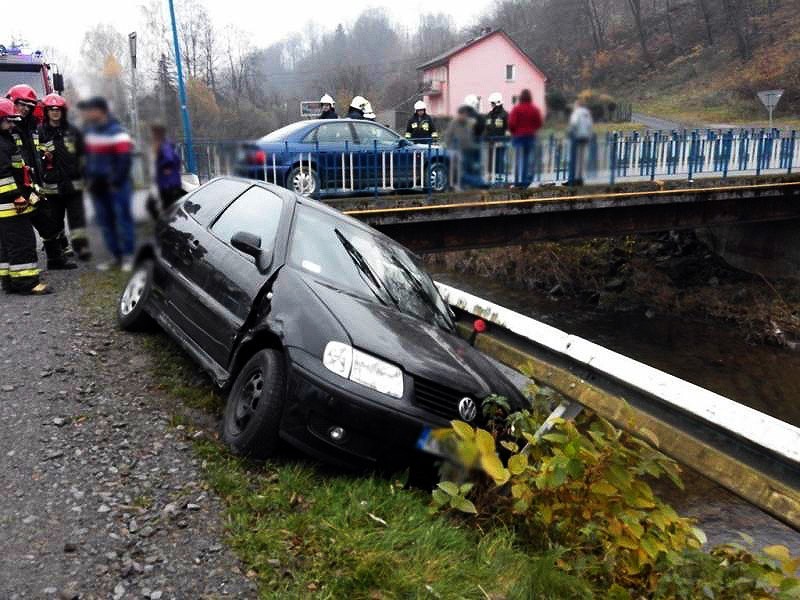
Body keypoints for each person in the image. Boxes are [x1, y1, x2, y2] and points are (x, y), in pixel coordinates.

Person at [6, 84, 74, 269]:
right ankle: (19, 273)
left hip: (33, 184)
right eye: (22, 104)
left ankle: (56, 260)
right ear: (12, 102)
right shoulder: (8, 128)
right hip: (14, 188)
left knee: (48, 222)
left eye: (29, 106)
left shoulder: (32, 127)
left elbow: (37, 153)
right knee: (20, 233)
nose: (25, 109)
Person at [0, 98, 51, 294]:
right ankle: (27, 283)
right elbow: (3, 175)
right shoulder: (2, 143)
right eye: (8, 120)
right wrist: (16, 196)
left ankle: (10, 282)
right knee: (23, 242)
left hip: (6, 205)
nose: (12, 124)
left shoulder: (5, 138)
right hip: (10, 205)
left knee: (7, 245)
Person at [78, 96, 135, 272]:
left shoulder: (117, 132)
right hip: (98, 187)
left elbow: (124, 161)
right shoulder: (91, 133)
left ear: (101, 111)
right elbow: (88, 160)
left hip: (116, 186)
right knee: (105, 222)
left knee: (123, 220)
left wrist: (116, 181)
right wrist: (88, 180)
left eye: (90, 110)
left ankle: (129, 256)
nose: (87, 113)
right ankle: (115, 256)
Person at [37, 93, 91, 261]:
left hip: (74, 184)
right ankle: (62, 246)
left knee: (77, 219)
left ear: (63, 111)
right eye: (52, 109)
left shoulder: (73, 131)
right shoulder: (40, 133)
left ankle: (81, 248)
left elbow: (84, 155)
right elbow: (36, 158)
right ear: (46, 112)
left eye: (58, 109)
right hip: (51, 186)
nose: (55, 112)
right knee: (55, 220)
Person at [508, 88, 543, 186]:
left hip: (518, 137)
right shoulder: (534, 109)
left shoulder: (517, 109)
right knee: (528, 159)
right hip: (530, 137)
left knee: (519, 160)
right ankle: (526, 181)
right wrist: (532, 129)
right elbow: (539, 123)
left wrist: (514, 132)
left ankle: (519, 181)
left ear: (521, 97)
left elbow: (511, 123)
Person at [443, 104, 482, 189]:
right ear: (459, 114)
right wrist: (449, 147)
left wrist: (476, 146)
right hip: (457, 150)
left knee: (470, 168)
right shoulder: (454, 123)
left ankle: (470, 185)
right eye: (462, 114)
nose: (464, 116)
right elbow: (448, 136)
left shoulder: (469, 122)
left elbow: (473, 135)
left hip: (469, 149)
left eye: (465, 114)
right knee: (458, 169)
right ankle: (455, 185)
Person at [151, 123, 184, 210]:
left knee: (169, 208)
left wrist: (164, 167)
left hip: (168, 184)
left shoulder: (164, 145)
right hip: (171, 182)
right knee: (172, 207)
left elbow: (168, 159)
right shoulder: (167, 144)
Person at [567, 98, 594, 186]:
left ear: (577, 105)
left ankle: (572, 179)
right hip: (585, 137)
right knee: (582, 158)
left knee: (574, 158)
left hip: (577, 137)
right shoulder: (587, 113)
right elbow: (590, 125)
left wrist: (570, 132)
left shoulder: (577, 112)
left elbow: (574, 123)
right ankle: (580, 178)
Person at [484, 92, 509, 181]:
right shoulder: (489, 115)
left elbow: (508, 130)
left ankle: (500, 179)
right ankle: (491, 179)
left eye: (492, 103)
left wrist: (504, 140)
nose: (491, 105)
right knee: (490, 163)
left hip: (500, 144)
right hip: (490, 144)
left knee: (499, 162)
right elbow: (486, 128)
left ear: (497, 103)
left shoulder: (505, 115)